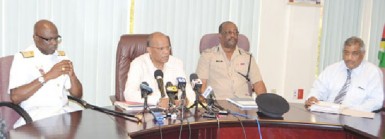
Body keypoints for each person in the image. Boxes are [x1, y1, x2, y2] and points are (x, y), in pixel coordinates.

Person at [8, 19, 83, 128]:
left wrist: (72, 76)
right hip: (37, 116)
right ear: (36, 38)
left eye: (56, 38)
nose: (54, 43)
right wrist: (47, 76)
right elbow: (15, 97)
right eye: (48, 39)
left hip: (63, 113)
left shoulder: (61, 56)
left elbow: (78, 94)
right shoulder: (23, 59)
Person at [305, 36, 384, 112]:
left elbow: (376, 101)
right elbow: (318, 89)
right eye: (346, 53)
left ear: (363, 54)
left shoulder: (373, 72)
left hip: (357, 120)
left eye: (354, 54)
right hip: (328, 115)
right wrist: (313, 97)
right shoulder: (332, 69)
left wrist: (350, 111)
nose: (349, 58)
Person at [196, 21, 267, 99]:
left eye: (235, 32)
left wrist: (264, 104)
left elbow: (258, 83)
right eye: (229, 32)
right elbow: (201, 86)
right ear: (220, 35)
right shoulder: (207, 56)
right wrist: (206, 105)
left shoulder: (247, 57)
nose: (233, 35)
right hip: (218, 105)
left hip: (244, 104)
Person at [124, 32, 194, 107]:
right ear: (149, 50)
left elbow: (187, 89)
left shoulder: (177, 63)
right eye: (161, 48)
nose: (166, 52)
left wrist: (184, 100)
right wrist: (158, 101)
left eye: (168, 47)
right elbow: (129, 94)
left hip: (173, 113)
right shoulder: (138, 64)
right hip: (147, 114)